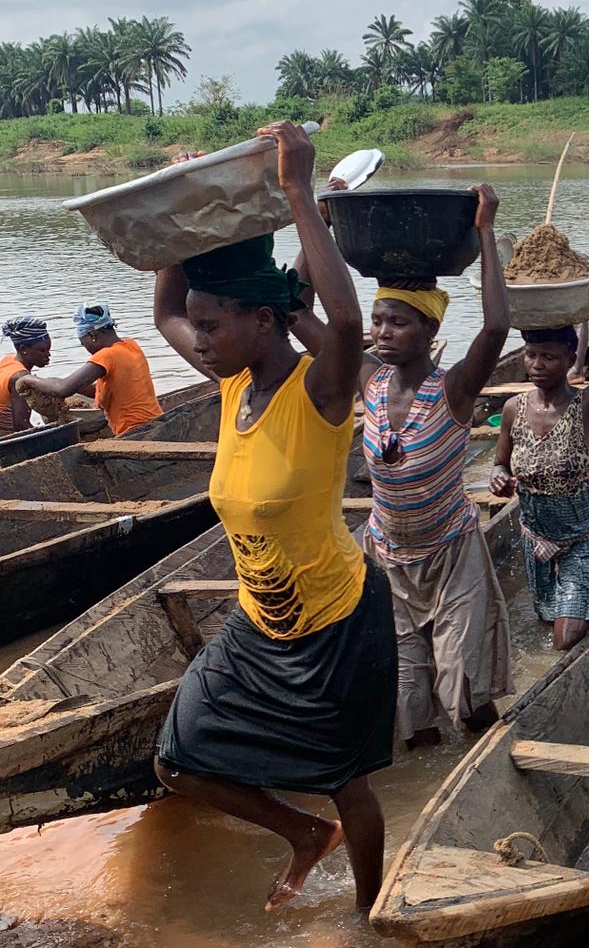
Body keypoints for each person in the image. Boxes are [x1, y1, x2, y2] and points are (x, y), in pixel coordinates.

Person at [149, 122, 396, 914]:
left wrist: (297, 192)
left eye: (212, 325)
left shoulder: (318, 394)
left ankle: (369, 915)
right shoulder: (230, 380)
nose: (200, 341)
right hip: (259, 623)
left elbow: (349, 327)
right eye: (202, 326)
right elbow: (164, 315)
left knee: (345, 779)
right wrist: (173, 219)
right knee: (179, 760)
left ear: (263, 321)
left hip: (334, 620)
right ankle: (301, 834)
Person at [352, 185, 513, 750]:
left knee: (463, 691)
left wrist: (486, 229)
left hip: (450, 554)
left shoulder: (453, 390)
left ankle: (496, 761)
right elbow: (309, 316)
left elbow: (496, 328)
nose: (381, 333)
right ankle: (426, 779)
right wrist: (322, 224)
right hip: (389, 556)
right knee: (408, 704)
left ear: (429, 332)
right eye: (377, 322)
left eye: (397, 322)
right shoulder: (369, 379)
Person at [490, 265, 589, 652]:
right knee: (546, 619)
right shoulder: (513, 408)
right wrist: (498, 477)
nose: (537, 365)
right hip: (537, 536)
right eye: (531, 355)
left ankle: (584, 613)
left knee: (566, 637)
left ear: (570, 360)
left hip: (585, 537)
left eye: (549, 357)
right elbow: (500, 462)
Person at [15, 303, 164, 437]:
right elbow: (104, 389)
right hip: (155, 420)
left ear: (92, 335)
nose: (84, 347)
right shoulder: (131, 346)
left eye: (82, 342)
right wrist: (73, 385)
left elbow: (62, 389)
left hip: (134, 430)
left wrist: (29, 379)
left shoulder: (106, 356)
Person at [0, 316, 52, 434]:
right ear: (24, 349)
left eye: (49, 349)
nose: (48, 354)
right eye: (42, 350)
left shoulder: (8, 360)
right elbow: (20, 424)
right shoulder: (19, 378)